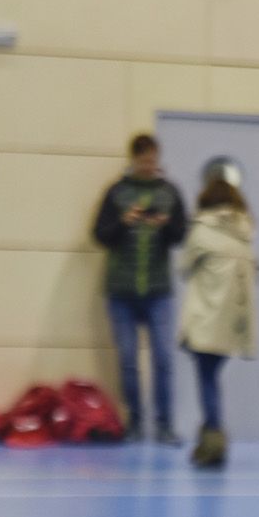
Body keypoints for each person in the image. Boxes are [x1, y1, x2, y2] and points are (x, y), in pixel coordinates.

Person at [93, 133, 188, 445]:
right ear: (133, 160)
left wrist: (166, 226)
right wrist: (123, 222)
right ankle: (134, 421)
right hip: (121, 291)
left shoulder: (170, 192)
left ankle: (165, 424)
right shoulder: (116, 193)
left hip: (159, 291)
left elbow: (181, 235)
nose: (149, 165)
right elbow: (100, 235)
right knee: (129, 361)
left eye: (153, 160)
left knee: (163, 359)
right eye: (143, 160)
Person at [177, 176, 257, 468]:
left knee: (207, 381)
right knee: (212, 379)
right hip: (232, 324)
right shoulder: (245, 232)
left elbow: (183, 268)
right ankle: (209, 438)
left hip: (205, 320)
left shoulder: (201, 231)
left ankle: (213, 441)